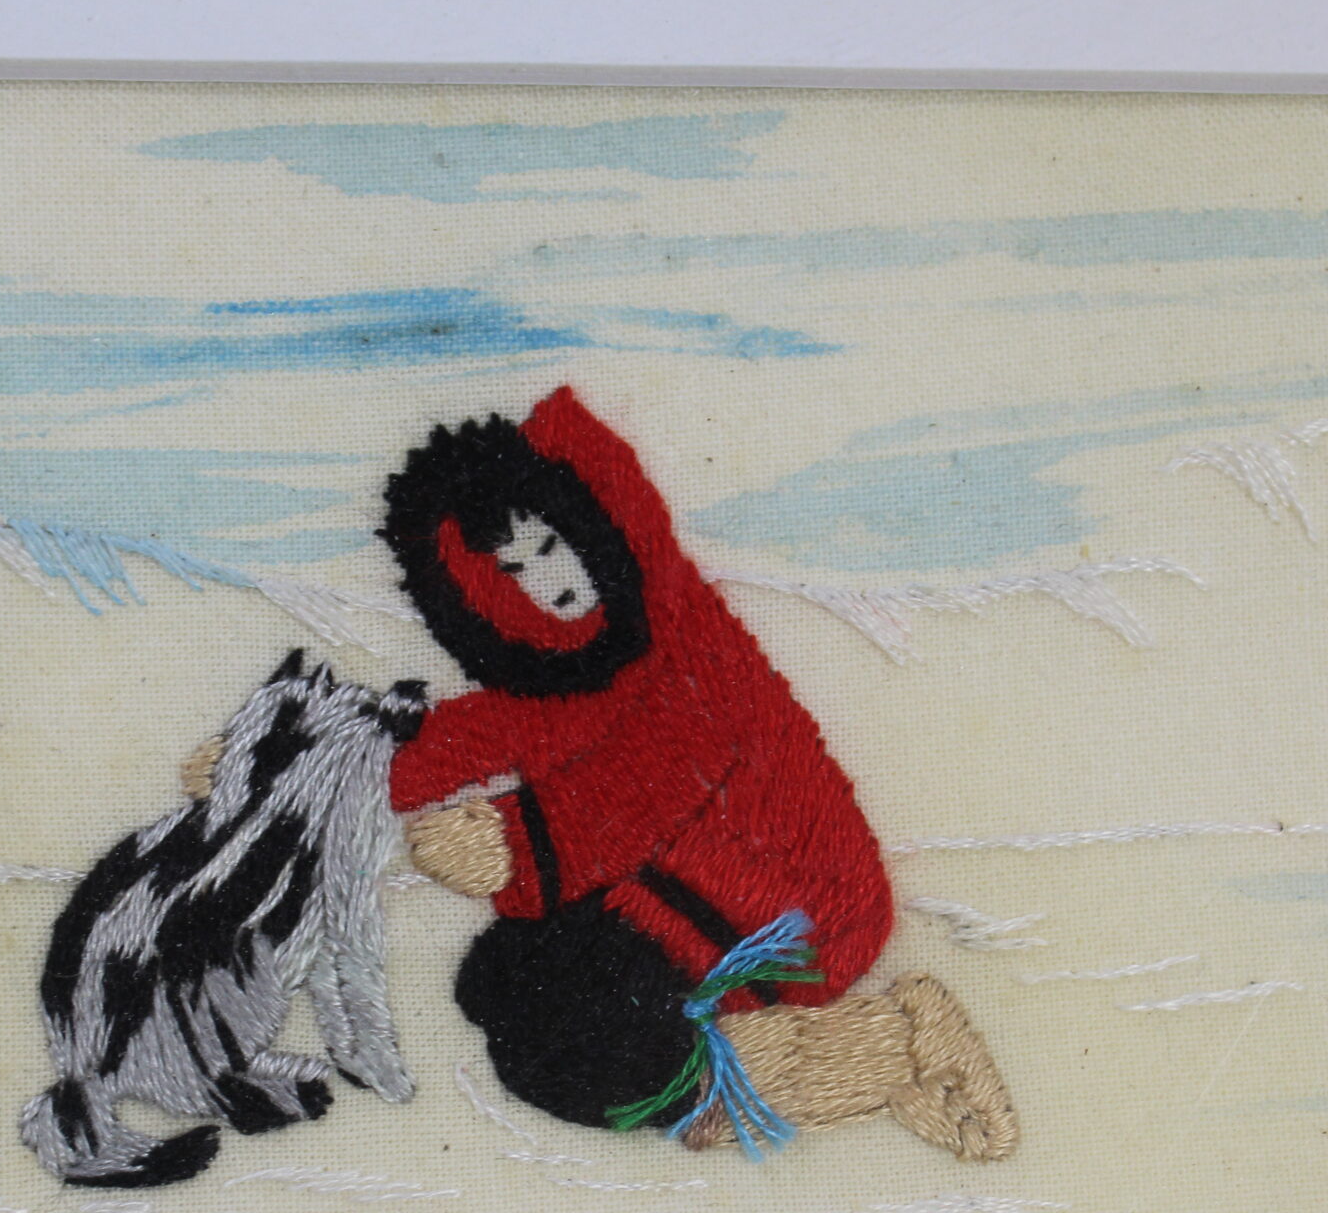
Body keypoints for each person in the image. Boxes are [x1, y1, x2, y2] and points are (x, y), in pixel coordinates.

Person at [378, 386, 1017, 1160]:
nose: (551, 585)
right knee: (507, 984)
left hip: (785, 898)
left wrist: (515, 842)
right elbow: (445, 743)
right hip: (667, 899)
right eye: (513, 574)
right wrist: (322, 756)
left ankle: (889, 1046)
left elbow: (656, 776)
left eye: (551, 550)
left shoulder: (680, 634)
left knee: (591, 1036)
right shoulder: (560, 681)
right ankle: (816, 1070)